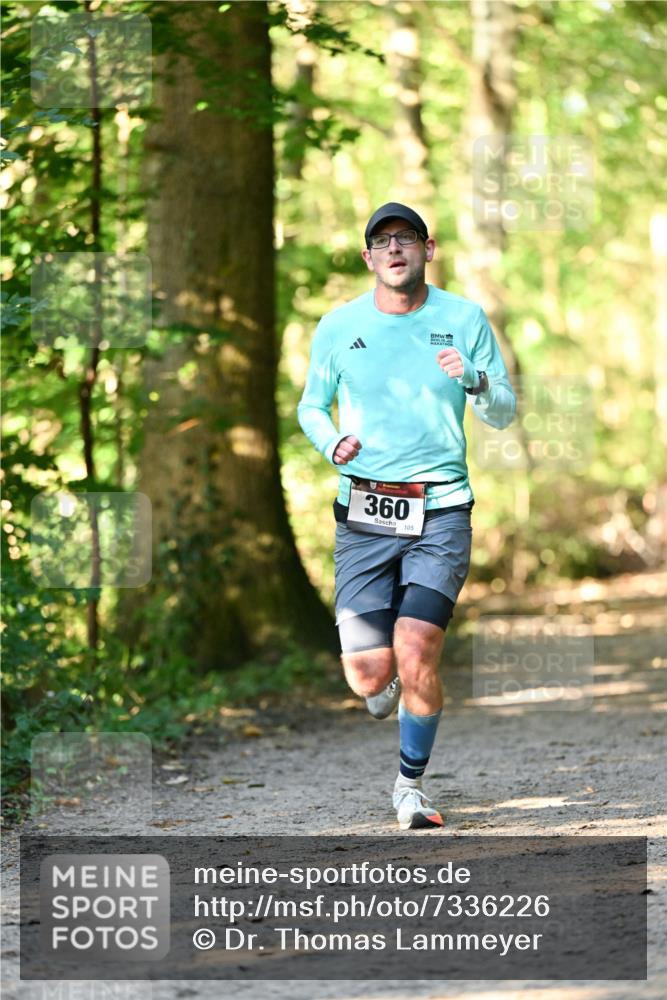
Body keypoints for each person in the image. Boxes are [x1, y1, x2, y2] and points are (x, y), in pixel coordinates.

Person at [298, 202, 516, 830]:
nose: (394, 249)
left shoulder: (463, 318)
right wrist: (330, 442)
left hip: (440, 508)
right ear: (368, 257)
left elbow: (503, 410)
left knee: (418, 648)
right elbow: (311, 406)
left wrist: (475, 379)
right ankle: (384, 682)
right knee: (369, 678)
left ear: (428, 249)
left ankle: (410, 787)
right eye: (382, 241)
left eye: (406, 239)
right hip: (364, 510)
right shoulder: (339, 326)